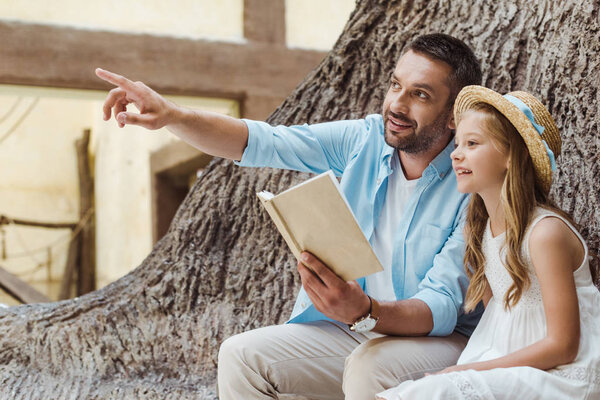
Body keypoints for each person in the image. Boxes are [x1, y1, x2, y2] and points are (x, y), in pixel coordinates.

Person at [96, 33, 483, 400]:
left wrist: (366, 311)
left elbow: (441, 306)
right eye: (396, 86)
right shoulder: (363, 141)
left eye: (420, 94)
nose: (397, 104)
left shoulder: (472, 183)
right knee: (242, 356)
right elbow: (262, 141)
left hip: (439, 345)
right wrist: (172, 115)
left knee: (370, 366)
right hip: (355, 331)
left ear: (453, 115)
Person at [376, 86, 600, 399]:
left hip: (560, 374)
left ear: (512, 155)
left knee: (432, 391)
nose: (456, 153)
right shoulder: (484, 232)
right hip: (500, 360)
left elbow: (564, 346)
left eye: (472, 143)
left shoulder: (544, 233)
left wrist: (466, 371)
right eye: (457, 144)